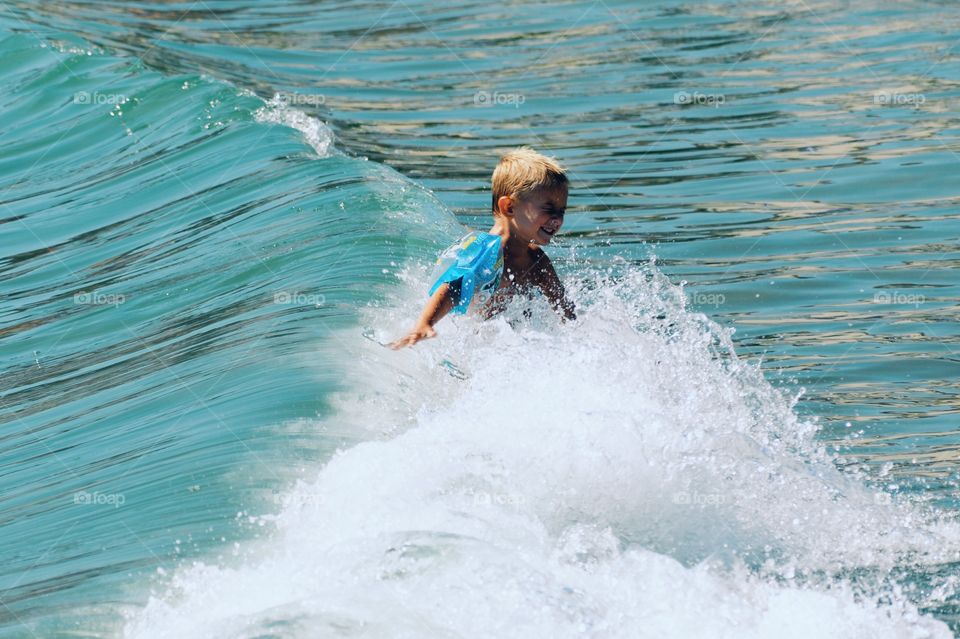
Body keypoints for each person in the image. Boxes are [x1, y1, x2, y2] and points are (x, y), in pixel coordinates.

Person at [391, 147, 576, 349]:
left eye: (562, 210)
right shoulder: (487, 251)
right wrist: (425, 323)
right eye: (549, 209)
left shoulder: (537, 260)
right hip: (472, 346)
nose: (557, 218)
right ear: (509, 207)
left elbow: (566, 312)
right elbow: (454, 287)